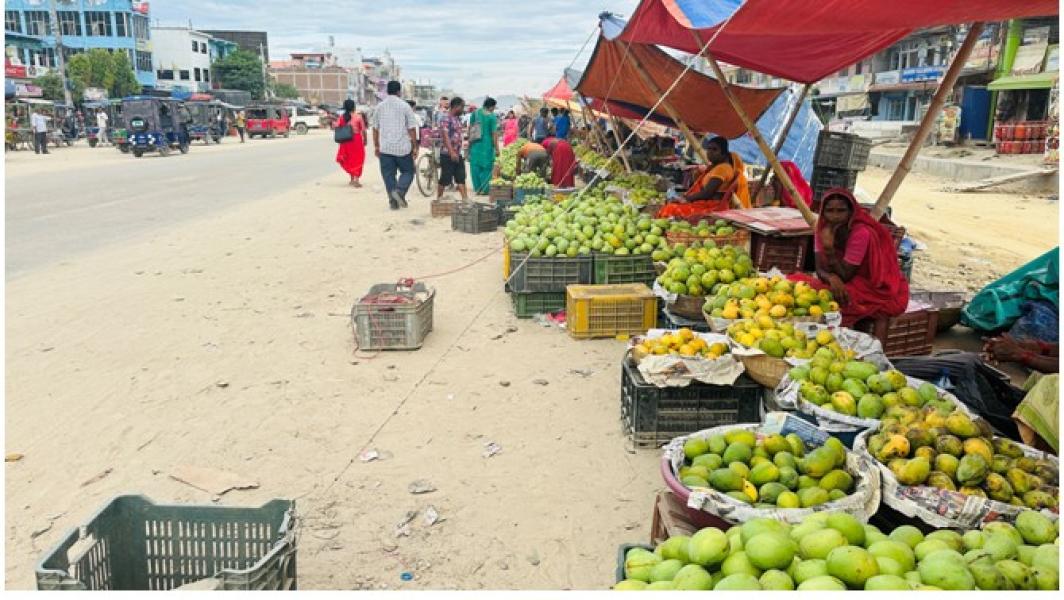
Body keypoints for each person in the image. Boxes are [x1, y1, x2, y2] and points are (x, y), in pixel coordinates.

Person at [791, 189, 909, 327]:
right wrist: (831, 278)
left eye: (841, 211)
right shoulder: (822, 230)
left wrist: (829, 250)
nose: (835, 216)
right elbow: (819, 269)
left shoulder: (860, 233)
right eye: (830, 211)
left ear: (851, 212)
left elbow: (846, 275)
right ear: (823, 212)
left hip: (870, 284)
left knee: (839, 301)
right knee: (795, 285)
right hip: (840, 278)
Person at [371, 80, 419, 210]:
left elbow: (375, 128)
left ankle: (393, 201)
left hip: (385, 148)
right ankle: (400, 192)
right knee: (408, 171)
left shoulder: (379, 107)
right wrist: (415, 146)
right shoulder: (405, 106)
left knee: (388, 175)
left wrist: (376, 146)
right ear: (399, 91)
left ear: (387, 91)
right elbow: (411, 128)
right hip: (403, 148)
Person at [436, 97, 469, 202]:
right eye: (462, 107)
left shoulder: (457, 118)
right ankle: (439, 198)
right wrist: (451, 152)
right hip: (447, 154)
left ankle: (465, 199)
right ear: (456, 106)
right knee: (445, 178)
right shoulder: (446, 118)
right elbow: (445, 136)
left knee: (461, 177)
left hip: (457, 153)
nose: (463, 109)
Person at [467, 97, 499, 195]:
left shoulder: (475, 113)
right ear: (491, 107)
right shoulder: (492, 117)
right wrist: (497, 149)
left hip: (475, 144)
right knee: (487, 167)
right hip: (487, 145)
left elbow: (470, 129)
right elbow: (494, 134)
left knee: (475, 166)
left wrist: (469, 142)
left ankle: (477, 188)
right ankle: (485, 189)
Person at [335, 99, 366, 188]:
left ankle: (352, 179)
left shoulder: (341, 117)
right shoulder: (358, 117)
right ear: (354, 107)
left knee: (349, 159)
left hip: (345, 141)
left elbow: (337, 127)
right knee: (358, 158)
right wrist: (365, 140)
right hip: (356, 140)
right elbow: (363, 130)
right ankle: (356, 179)